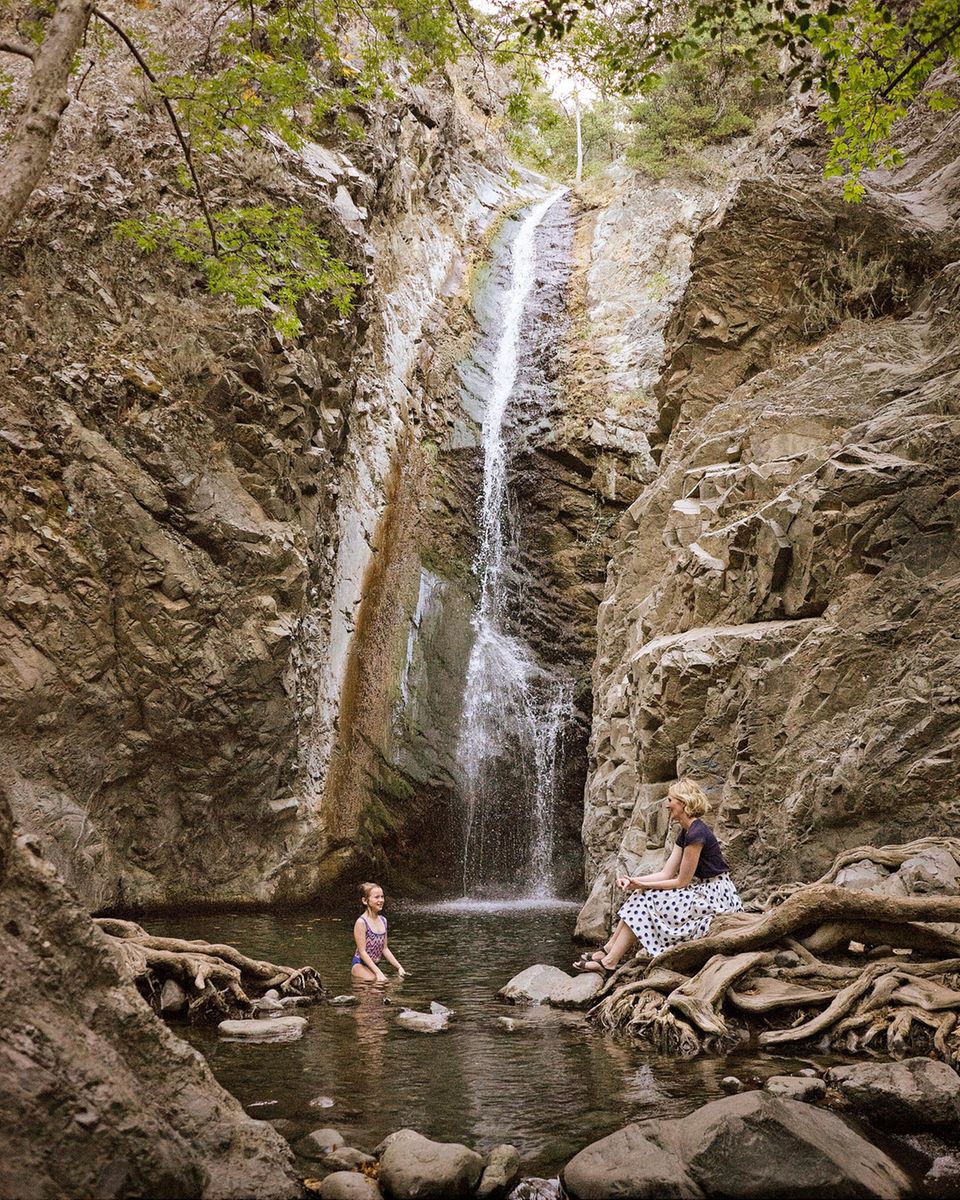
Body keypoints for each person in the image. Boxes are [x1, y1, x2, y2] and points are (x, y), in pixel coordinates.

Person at [574, 780, 743, 975]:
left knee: (646, 898)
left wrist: (642, 884)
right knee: (641, 892)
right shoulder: (686, 831)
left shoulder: (697, 834)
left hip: (716, 896)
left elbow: (681, 882)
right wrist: (635, 881)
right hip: (704, 890)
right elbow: (666, 873)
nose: (666, 804)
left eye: (670, 800)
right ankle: (608, 950)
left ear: (683, 803)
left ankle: (610, 962)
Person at [352, 881, 407, 982]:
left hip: (374, 965)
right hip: (360, 965)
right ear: (365, 900)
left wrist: (399, 967)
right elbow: (362, 952)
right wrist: (378, 972)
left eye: (382, 897)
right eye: (376, 897)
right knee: (380, 984)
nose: (381, 900)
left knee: (391, 985)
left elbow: (385, 949)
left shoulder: (383, 920)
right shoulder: (361, 922)